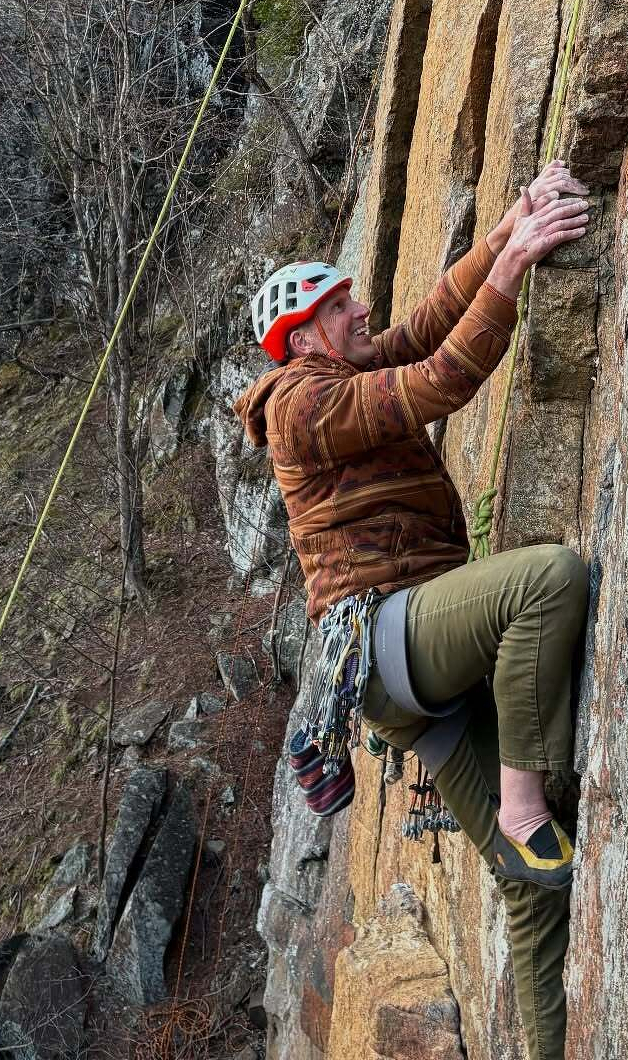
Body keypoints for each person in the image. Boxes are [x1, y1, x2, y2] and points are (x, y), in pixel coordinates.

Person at [233, 159, 593, 1060]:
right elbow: (436, 380)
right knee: (547, 580)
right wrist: (517, 269)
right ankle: (522, 807)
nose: (361, 311)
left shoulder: (335, 375)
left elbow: (429, 321)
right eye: (340, 307)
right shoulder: (302, 405)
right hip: (387, 634)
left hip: (395, 664)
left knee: (531, 890)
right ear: (303, 338)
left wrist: (505, 232)